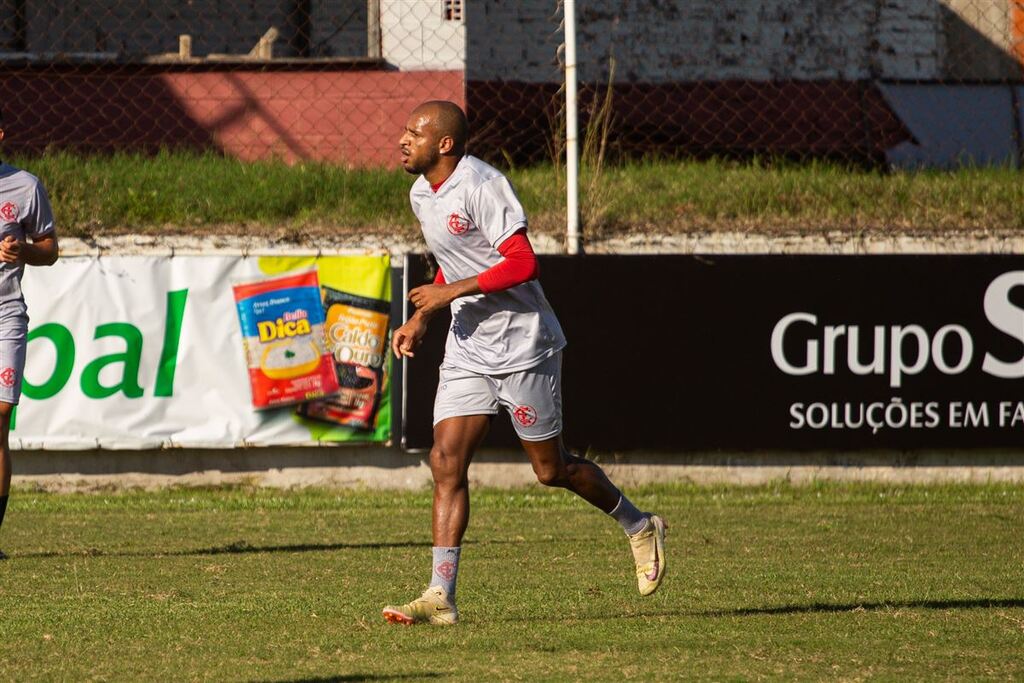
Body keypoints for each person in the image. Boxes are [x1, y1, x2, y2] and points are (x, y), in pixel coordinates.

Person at [382, 101, 666, 625]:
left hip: (522, 343)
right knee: (446, 461)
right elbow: (454, 262)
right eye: (404, 130)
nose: (403, 139)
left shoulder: (483, 185)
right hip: (469, 344)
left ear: (444, 144)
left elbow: (522, 262)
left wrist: (450, 295)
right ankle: (440, 596)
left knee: (551, 469)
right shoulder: (421, 194)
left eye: (414, 132)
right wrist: (424, 316)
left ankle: (638, 524)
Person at [0, 108, 60, 559]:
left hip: (6, 315)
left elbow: (50, 249)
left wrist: (23, 250)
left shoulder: (25, 186)